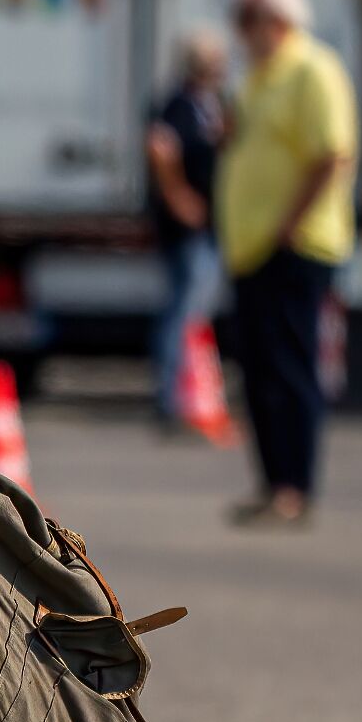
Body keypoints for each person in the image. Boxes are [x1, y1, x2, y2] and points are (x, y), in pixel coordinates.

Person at [216, 0, 358, 526]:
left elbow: (333, 155)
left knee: (290, 369)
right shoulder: (259, 76)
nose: (240, 31)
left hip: (293, 246)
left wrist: (288, 224)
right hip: (253, 247)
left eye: (248, 19)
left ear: (278, 19)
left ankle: (295, 489)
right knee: (257, 371)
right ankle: (274, 483)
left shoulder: (312, 69)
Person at [146, 29, 232, 428]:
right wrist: (179, 196)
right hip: (188, 231)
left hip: (213, 225)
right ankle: (171, 398)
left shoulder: (210, 103)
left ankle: (191, 394)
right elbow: (160, 148)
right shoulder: (179, 103)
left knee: (198, 310)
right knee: (185, 311)